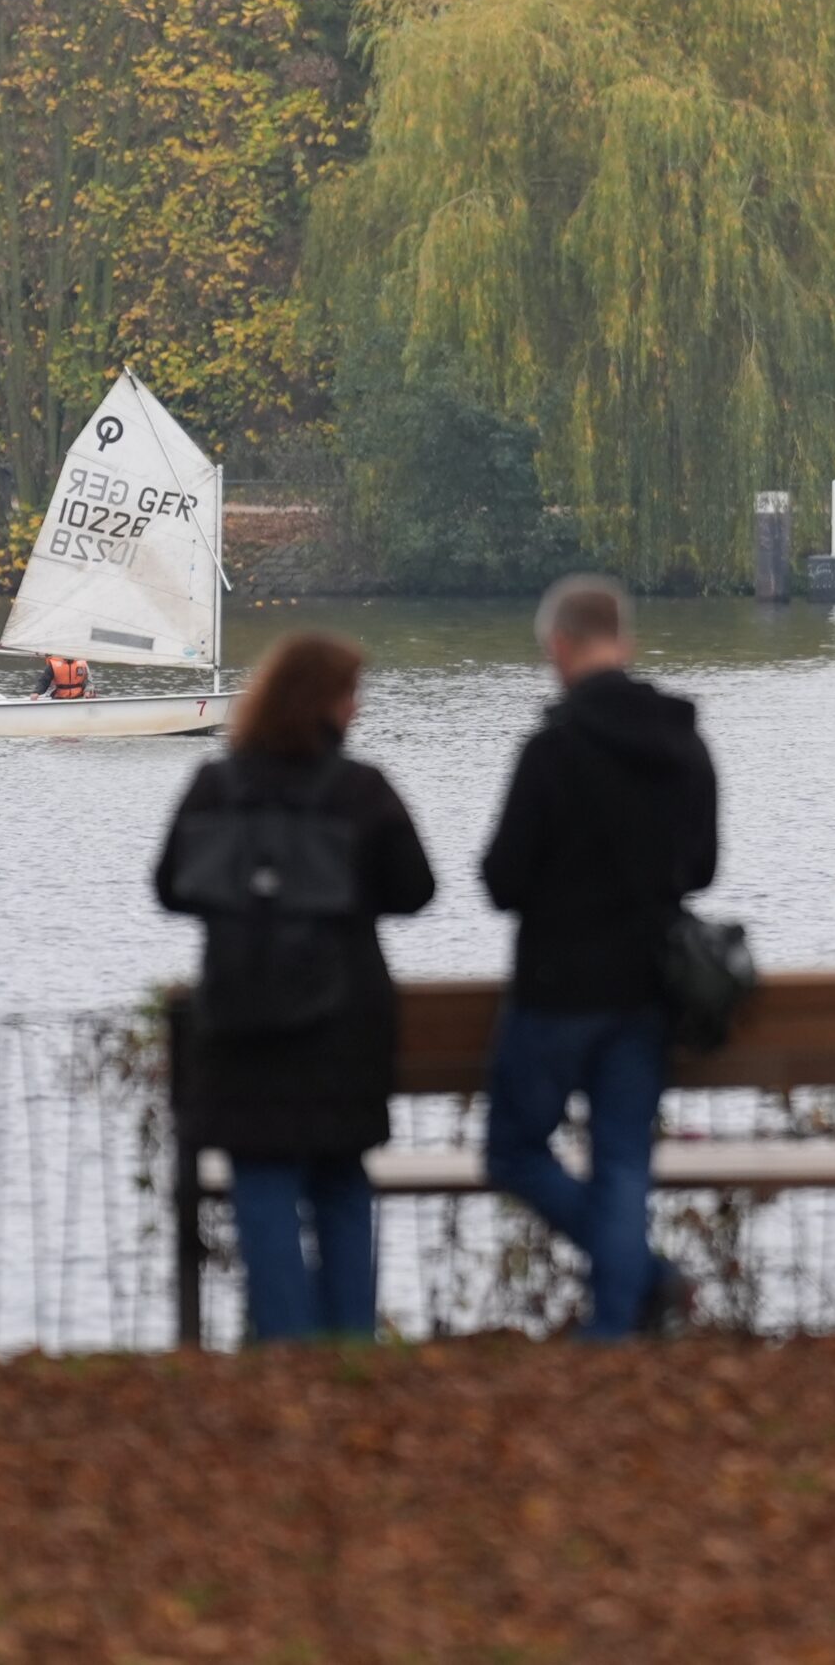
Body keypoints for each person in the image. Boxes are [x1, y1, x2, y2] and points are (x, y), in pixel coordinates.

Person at [154, 632, 434, 1342]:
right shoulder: (360, 791)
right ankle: (350, 1352)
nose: (357, 710)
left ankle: (287, 1354)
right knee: (341, 1180)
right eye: (350, 695)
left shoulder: (214, 787)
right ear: (325, 704)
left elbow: (170, 887)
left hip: (241, 1019)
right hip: (344, 1020)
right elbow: (415, 890)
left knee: (263, 1180)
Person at [481, 575, 719, 1339]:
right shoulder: (682, 743)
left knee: (516, 1150)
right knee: (622, 1162)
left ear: (558, 647)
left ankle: (641, 1288)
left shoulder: (551, 751)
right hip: (647, 986)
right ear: (627, 642)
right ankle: (619, 1320)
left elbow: (502, 880)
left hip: (557, 985)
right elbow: (703, 867)